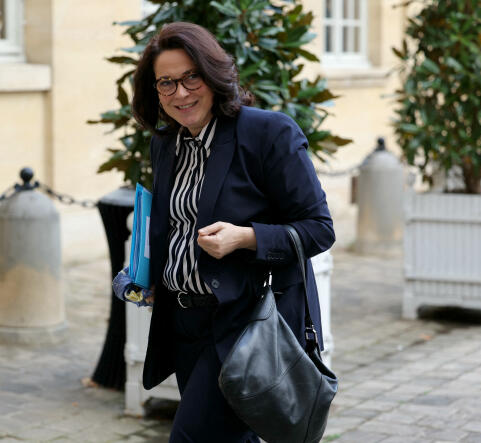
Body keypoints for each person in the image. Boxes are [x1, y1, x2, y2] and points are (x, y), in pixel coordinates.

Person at [131, 22, 335, 442]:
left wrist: (245, 237)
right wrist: (144, 275)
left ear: (214, 75)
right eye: (166, 83)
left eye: (191, 77)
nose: (180, 93)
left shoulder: (267, 133)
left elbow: (319, 229)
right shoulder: (166, 144)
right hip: (183, 323)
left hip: (243, 323)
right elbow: (175, 228)